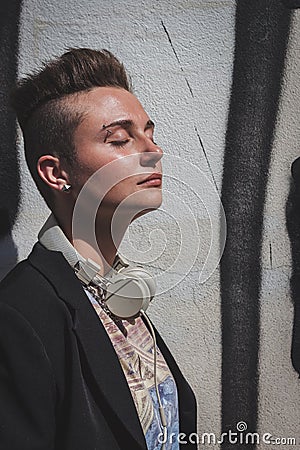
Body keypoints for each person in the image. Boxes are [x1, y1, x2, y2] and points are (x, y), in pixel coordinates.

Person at [0, 48, 197, 450]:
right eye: (120, 139)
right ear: (57, 173)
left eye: (149, 133)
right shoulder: (19, 316)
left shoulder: (117, 290)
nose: (152, 151)